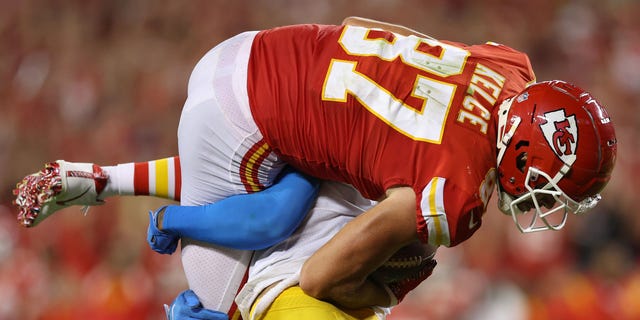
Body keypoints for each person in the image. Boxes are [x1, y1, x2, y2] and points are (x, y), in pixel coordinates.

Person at [13, 16, 617, 319]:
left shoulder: (510, 69)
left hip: (261, 60)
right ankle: (184, 257)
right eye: (551, 189)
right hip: (243, 120)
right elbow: (323, 277)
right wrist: (374, 297)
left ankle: (102, 179)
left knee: (311, 178)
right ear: (519, 156)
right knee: (266, 281)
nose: (545, 204)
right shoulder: (454, 193)